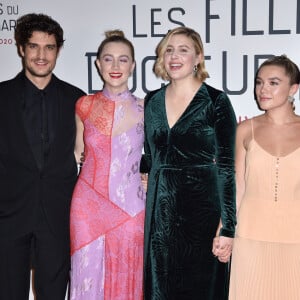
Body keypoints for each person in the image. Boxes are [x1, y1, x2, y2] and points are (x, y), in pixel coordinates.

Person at [143, 26, 237, 299]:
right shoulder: (152, 101)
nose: (174, 56)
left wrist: (228, 226)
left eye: (183, 50)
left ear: (198, 57)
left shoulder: (215, 101)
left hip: (202, 215)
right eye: (169, 50)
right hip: (160, 216)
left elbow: (227, 168)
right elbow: (150, 157)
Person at [0, 13, 85, 300]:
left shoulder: (77, 99)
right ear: (21, 48)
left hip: (58, 217)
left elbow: (89, 154)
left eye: (49, 47)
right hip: (8, 217)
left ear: (58, 50)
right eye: (33, 46)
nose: (41, 55)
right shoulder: (1, 96)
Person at [70, 30, 146, 299]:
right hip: (87, 207)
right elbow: (79, 155)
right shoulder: (84, 105)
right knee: (87, 274)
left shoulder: (147, 107)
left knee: (129, 273)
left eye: (123, 60)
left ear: (133, 65)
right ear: (98, 64)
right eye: (108, 59)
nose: (115, 67)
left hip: (131, 208)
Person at [229, 55, 300, 299]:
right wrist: (225, 230)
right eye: (260, 82)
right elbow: (237, 186)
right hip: (250, 237)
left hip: (296, 238)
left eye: (273, 82)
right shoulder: (245, 130)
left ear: (293, 88)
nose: (263, 89)